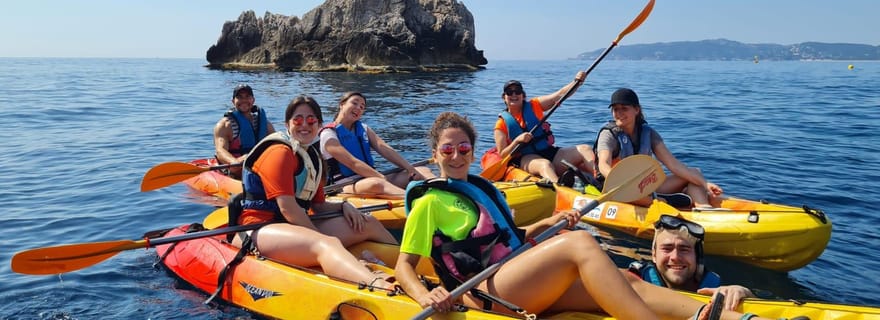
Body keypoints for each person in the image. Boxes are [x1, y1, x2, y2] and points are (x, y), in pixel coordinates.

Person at [395, 112, 772, 320]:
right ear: (435, 154)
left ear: (472, 151)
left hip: (512, 275)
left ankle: (724, 317)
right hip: (484, 292)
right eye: (448, 150)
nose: (457, 155)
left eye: (464, 147)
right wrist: (427, 294)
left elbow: (506, 238)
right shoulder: (430, 203)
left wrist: (543, 227)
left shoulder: (484, 189)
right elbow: (404, 267)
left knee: (625, 279)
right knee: (579, 245)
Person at [232, 95, 398, 290]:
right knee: (326, 244)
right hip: (260, 229)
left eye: (311, 120)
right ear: (288, 124)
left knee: (368, 222)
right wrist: (321, 237)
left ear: (319, 124)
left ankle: (412, 267)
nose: (305, 124)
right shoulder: (279, 152)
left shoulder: (312, 156)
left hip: (294, 227)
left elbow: (318, 205)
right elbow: (289, 209)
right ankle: (377, 284)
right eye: (298, 119)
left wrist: (344, 206)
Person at [594, 87, 723, 208]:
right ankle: (662, 202)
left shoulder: (648, 133)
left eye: (624, 108)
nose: (619, 113)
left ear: (636, 110)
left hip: (643, 184)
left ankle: (704, 209)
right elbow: (604, 164)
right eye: (615, 109)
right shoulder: (609, 134)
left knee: (695, 173)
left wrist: (705, 184)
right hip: (617, 188)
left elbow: (673, 164)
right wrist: (621, 181)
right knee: (643, 198)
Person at [629, 214, 756, 311]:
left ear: (697, 257)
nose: (675, 257)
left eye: (684, 249)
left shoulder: (713, 286)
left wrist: (744, 293)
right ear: (654, 255)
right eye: (667, 248)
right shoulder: (636, 278)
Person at [320, 91, 434, 197]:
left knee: (421, 171)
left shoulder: (364, 129)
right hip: (345, 186)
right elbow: (352, 162)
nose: (358, 108)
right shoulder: (328, 134)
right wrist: (380, 177)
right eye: (354, 103)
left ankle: (443, 192)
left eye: (362, 107)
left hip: (372, 178)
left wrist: (410, 169)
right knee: (377, 184)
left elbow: (386, 149)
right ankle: (416, 202)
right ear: (342, 104)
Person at [489, 72, 596, 183]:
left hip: (549, 152)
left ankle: (600, 178)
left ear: (523, 95)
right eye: (509, 92)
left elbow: (560, 95)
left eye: (518, 91)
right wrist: (517, 140)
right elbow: (503, 154)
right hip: (525, 159)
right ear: (504, 97)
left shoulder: (535, 105)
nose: (514, 95)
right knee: (545, 164)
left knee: (585, 149)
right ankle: (560, 189)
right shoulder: (501, 124)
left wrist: (576, 82)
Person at [213, 84, 277, 178]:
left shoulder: (265, 124)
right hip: (236, 170)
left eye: (247, 97)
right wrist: (234, 162)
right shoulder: (224, 125)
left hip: (259, 167)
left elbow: (277, 144)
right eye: (239, 97)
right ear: (233, 101)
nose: (244, 100)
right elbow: (220, 151)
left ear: (253, 100)